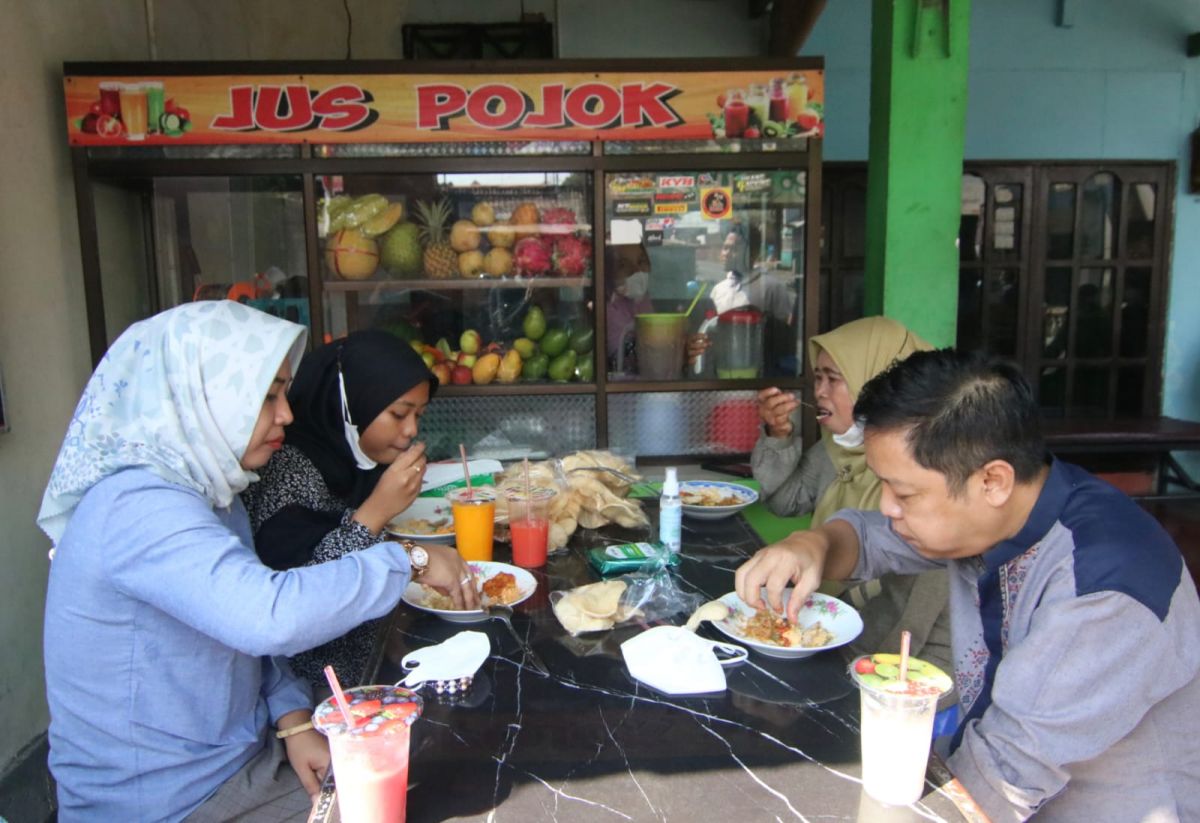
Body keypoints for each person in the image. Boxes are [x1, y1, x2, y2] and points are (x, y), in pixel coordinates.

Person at [39, 301, 477, 822]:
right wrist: (408, 559)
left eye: (284, 394)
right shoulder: (137, 508)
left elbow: (242, 639)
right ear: (201, 398)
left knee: (418, 778)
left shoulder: (211, 499)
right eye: (267, 397)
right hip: (163, 800)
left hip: (240, 758)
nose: (286, 414)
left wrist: (293, 720)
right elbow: (269, 616)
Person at [735, 349, 1200, 820]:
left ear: (993, 480)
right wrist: (811, 543)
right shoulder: (1003, 508)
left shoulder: (1102, 591)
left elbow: (1003, 775)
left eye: (905, 493)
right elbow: (871, 537)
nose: (889, 507)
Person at [750, 317, 953, 682]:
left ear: (875, 379)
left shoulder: (932, 473)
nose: (820, 391)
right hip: (827, 634)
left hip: (901, 664)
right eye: (818, 378)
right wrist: (778, 436)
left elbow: (909, 616)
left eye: (834, 378)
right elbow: (784, 503)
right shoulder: (837, 448)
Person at [242, 329, 438, 690]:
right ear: (351, 403)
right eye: (398, 414)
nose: (411, 429)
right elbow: (301, 601)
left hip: (374, 657)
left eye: (419, 415)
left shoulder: (357, 461)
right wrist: (377, 512)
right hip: (315, 689)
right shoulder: (286, 469)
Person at [605, 241, 707, 376]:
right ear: (609, 271)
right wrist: (678, 351)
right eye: (623, 265)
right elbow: (628, 359)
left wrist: (685, 347)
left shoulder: (643, 300)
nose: (636, 271)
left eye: (641, 262)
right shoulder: (607, 309)